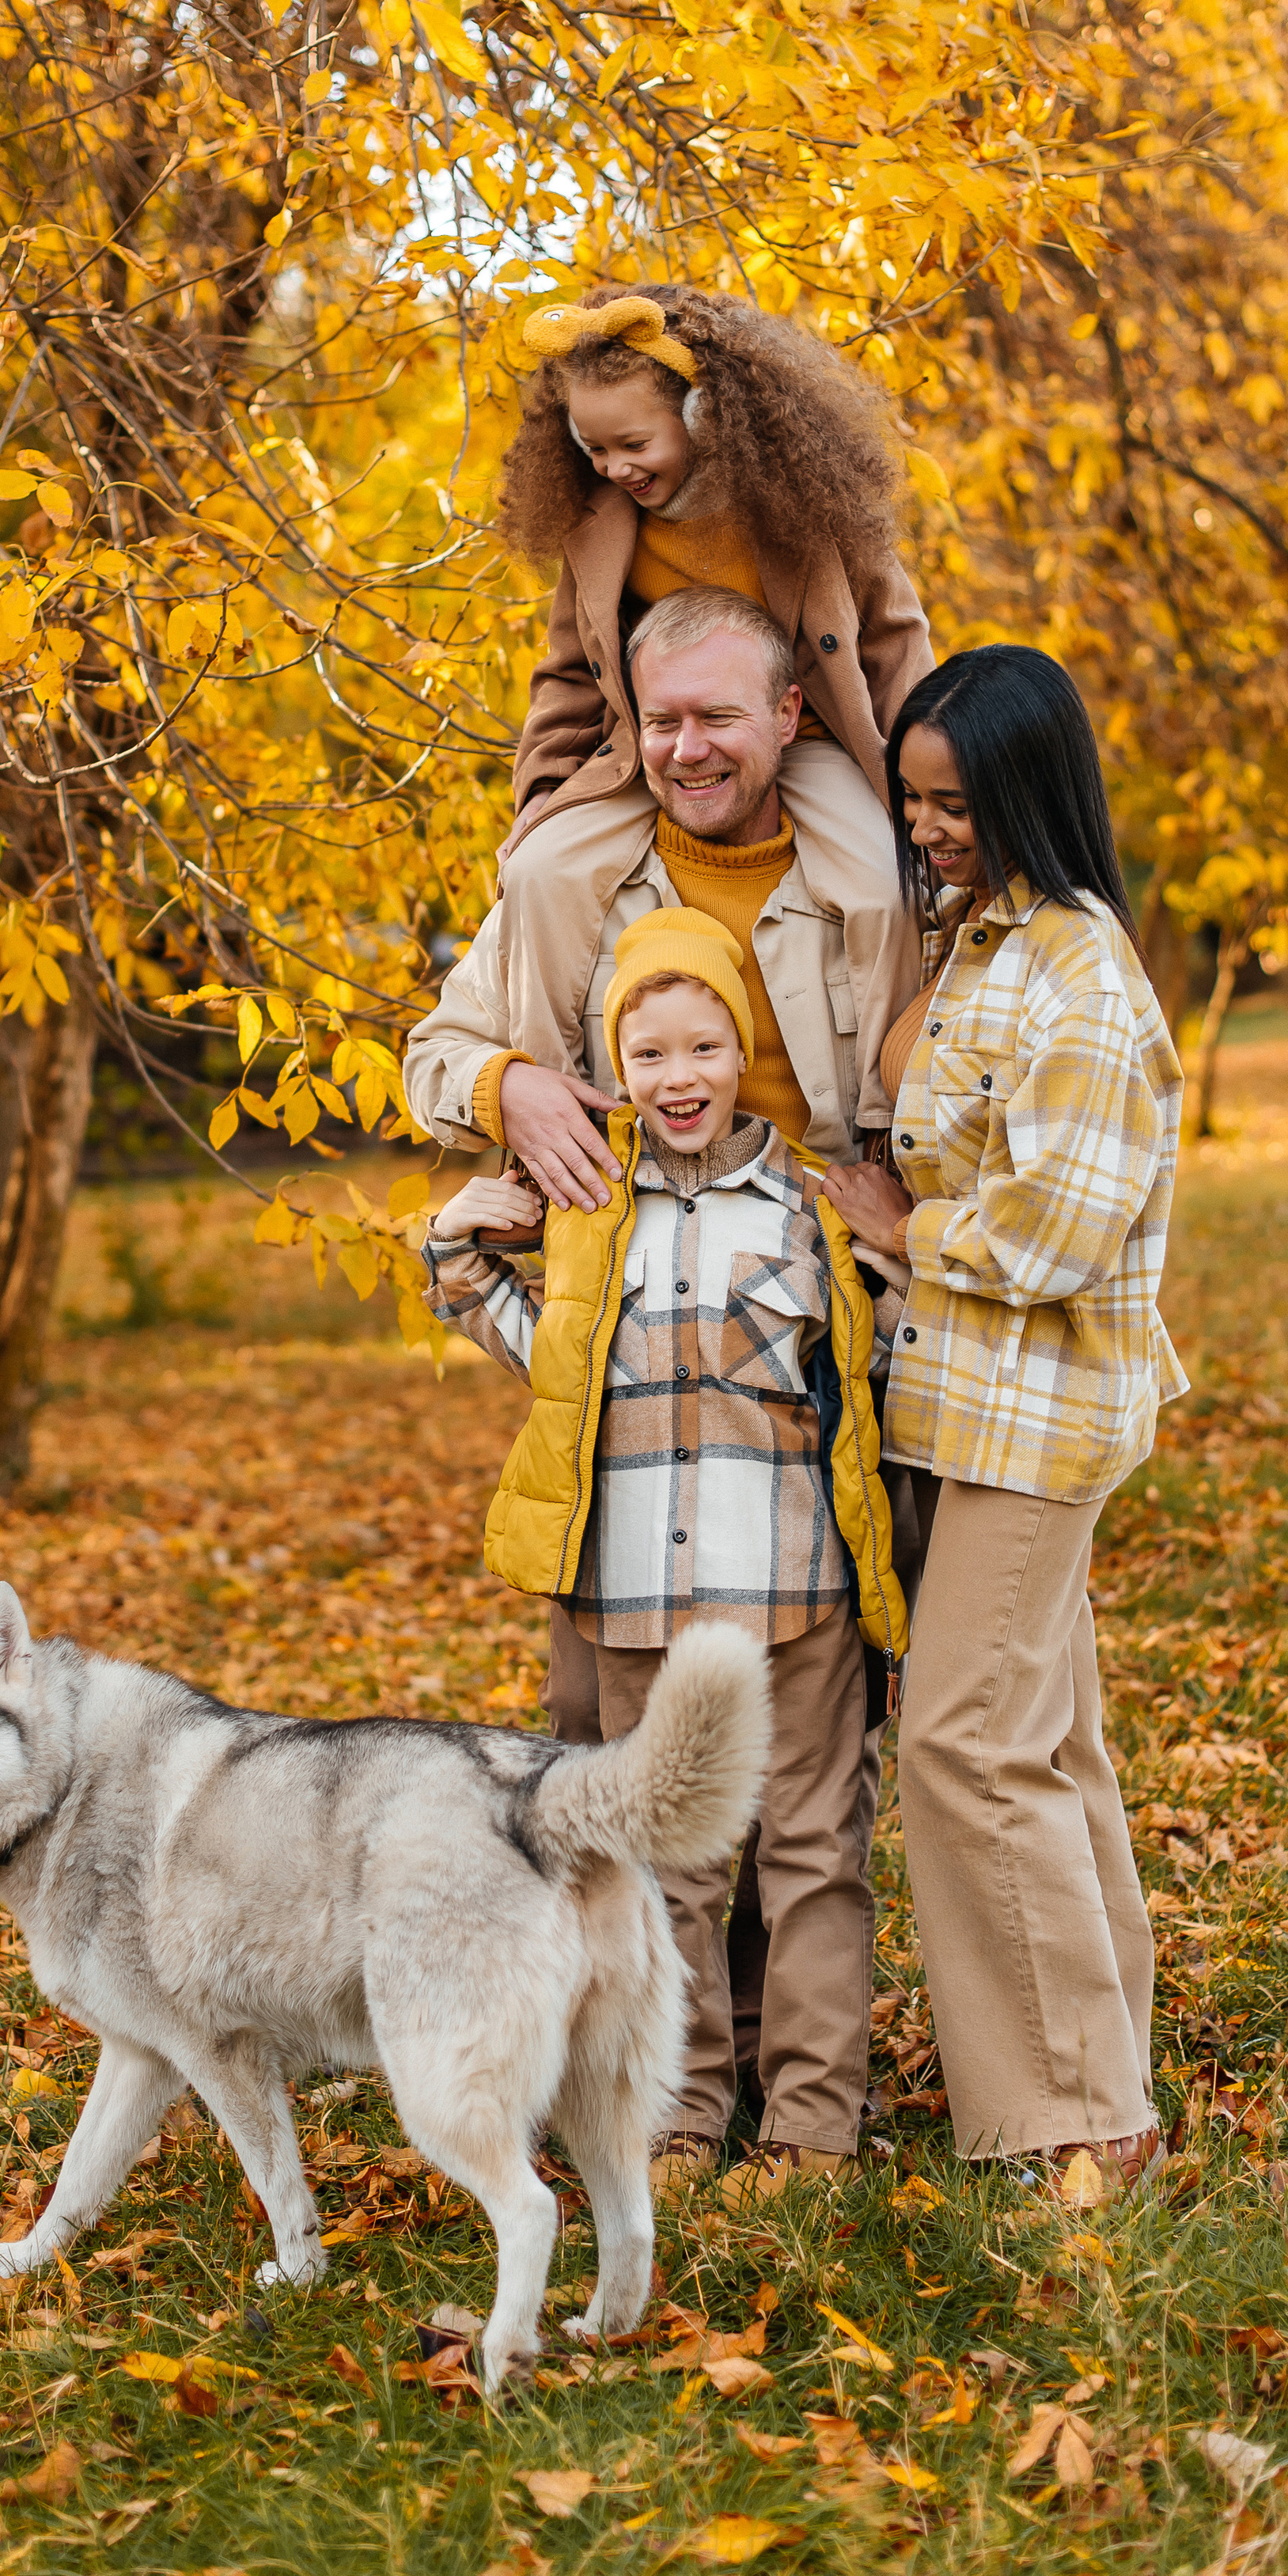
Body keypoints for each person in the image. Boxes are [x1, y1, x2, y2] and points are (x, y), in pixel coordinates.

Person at [421, 905, 908, 2206]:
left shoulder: (809, 1207)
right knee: (670, 1878)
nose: (679, 1076)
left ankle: (811, 2121)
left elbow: (868, 1376)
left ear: (742, 1048)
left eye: (704, 1045)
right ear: (613, 1069)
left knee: (811, 1856)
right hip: (636, 1602)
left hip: (798, 1596)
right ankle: (683, 2117)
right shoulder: (584, 1212)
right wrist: (456, 1240)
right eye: (649, 1054)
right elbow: (551, 1367)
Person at [402, 582, 924, 1742]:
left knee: (813, 1719)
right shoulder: (580, 892)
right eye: (660, 720)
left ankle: (783, 1930)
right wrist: (510, 1082)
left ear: (790, 714)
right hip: (637, 1350)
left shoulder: (872, 881)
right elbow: (433, 1054)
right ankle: (642, 1931)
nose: (685, 750)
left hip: (824, 1335)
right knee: (606, 1730)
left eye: (718, 719)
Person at [823, 644, 1188, 2200]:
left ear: (1026, 792)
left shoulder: (1080, 981)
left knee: (963, 1742)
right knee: (1044, 1740)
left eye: (951, 803)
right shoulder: (982, 941)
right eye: (911, 801)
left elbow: (1055, 1235)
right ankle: (1106, 2083)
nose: (925, 830)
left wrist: (901, 1228)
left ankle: (1065, 2119)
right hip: (967, 1409)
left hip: (1035, 1421)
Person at [491, 284, 933, 1083]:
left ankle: (884, 1114)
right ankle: (551, 1099)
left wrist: (926, 788)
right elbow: (566, 678)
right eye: (591, 450)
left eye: (632, 444)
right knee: (534, 872)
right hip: (653, 748)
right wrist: (540, 803)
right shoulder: (598, 529)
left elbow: (894, 646)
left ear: (704, 415)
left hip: (809, 741)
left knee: (885, 890)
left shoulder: (804, 501)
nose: (614, 468)